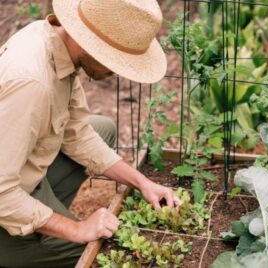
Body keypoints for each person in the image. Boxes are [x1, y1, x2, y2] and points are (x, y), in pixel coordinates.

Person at [0, 0, 179, 267]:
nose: (118, 72)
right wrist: (78, 229)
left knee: (101, 128)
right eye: (116, 61)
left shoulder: (54, 41)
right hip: (5, 200)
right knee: (101, 251)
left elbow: (78, 134)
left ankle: (40, 216)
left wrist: (142, 183)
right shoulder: (32, 83)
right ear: (89, 41)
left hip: (19, 173)